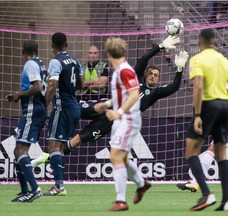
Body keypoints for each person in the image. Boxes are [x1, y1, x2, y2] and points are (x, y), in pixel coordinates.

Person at [29, 35, 185, 157]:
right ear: (144, 75)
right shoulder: (135, 79)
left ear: (158, 79)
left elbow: (174, 87)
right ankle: (52, 129)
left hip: (113, 120)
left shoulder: (155, 93)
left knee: (78, 140)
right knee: (72, 107)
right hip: (105, 105)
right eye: (150, 74)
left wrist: (179, 69)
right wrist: (160, 47)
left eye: (156, 75)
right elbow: (143, 60)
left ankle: (52, 157)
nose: (152, 76)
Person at [186, 28, 228, 211]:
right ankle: (226, 200)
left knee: (191, 151)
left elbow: (199, 87)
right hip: (226, 106)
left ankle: (206, 194)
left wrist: (197, 115)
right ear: (214, 42)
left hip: (208, 106)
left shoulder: (197, 59)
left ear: (199, 41)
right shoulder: (223, 60)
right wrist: (225, 95)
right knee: (221, 153)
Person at [95, 37, 147, 211]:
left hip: (128, 119)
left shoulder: (125, 71)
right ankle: (141, 184)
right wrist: (108, 105)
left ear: (108, 53)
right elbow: (123, 94)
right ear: (123, 52)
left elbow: (134, 95)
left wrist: (118, 112)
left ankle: (121, 201)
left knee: (115, 156)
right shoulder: (120, 71)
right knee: (122, 158)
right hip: (122, 119)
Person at [6, 40, 47, 202]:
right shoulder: (41, 64)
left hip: (32, 111)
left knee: (21, 151)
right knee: (18, 151)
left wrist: (19, 95)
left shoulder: (30, 64)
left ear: (23, 52)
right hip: (37, 110)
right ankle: (24, 191)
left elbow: (37, 87)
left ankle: (35, 189)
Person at [44, 32, 84, 196]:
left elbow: (52, 85)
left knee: (53, 146)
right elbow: (81, 84)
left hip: (62, 107)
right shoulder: (75, 61)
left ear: (52, 45)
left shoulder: (55, 61)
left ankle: (59, 186)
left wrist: (42, 107)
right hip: (74, 106)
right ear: (66, 45)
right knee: (59, 148)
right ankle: (59, 185)